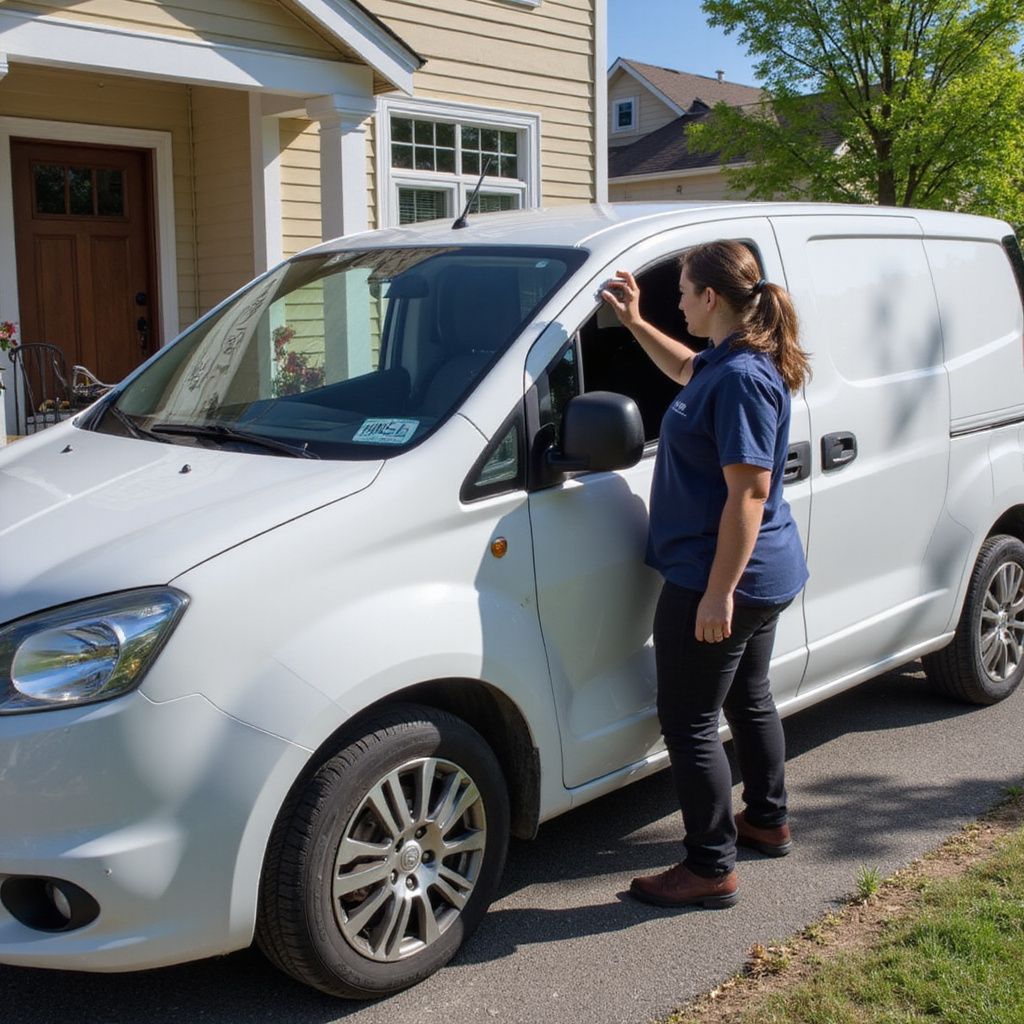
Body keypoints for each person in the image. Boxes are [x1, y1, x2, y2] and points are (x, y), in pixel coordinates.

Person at [600, 241, 811, 909]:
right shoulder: (724, 364)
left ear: (712, 299)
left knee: (689, 719)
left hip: (722, 577)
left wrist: (718, 591)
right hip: (754, 573)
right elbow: (687, 367)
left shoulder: (745, 379)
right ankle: (768, 819)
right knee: (748, 697)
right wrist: (635, 322)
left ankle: (710, 864)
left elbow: (747, 493)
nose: (680, 302)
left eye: (684, 292)